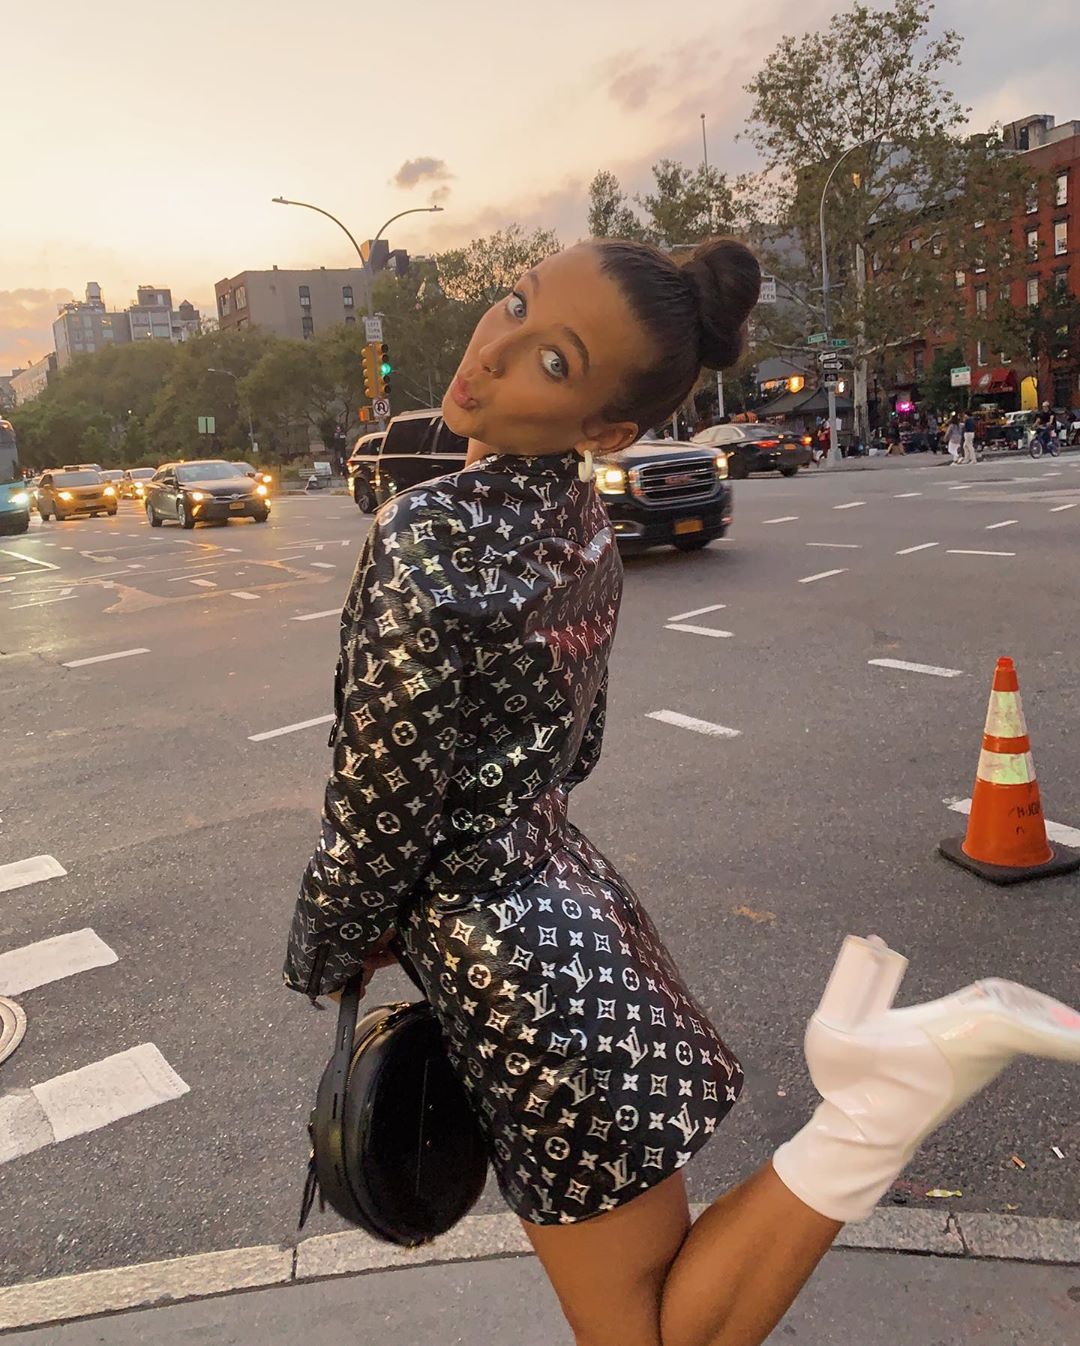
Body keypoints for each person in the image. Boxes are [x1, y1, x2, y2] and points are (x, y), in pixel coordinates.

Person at [282, 237, 1080, 1346]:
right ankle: (878, 1097)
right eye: (512, 305)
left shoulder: (427, 531)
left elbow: (378, 808)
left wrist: (325, 949)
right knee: (654, 1307)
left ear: (608, 428)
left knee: (645, 1336)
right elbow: (576, 749)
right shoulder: (581, 522)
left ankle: (887, 1095)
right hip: (580, 922)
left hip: (509, 976)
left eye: (554, 360)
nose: (494, 350)